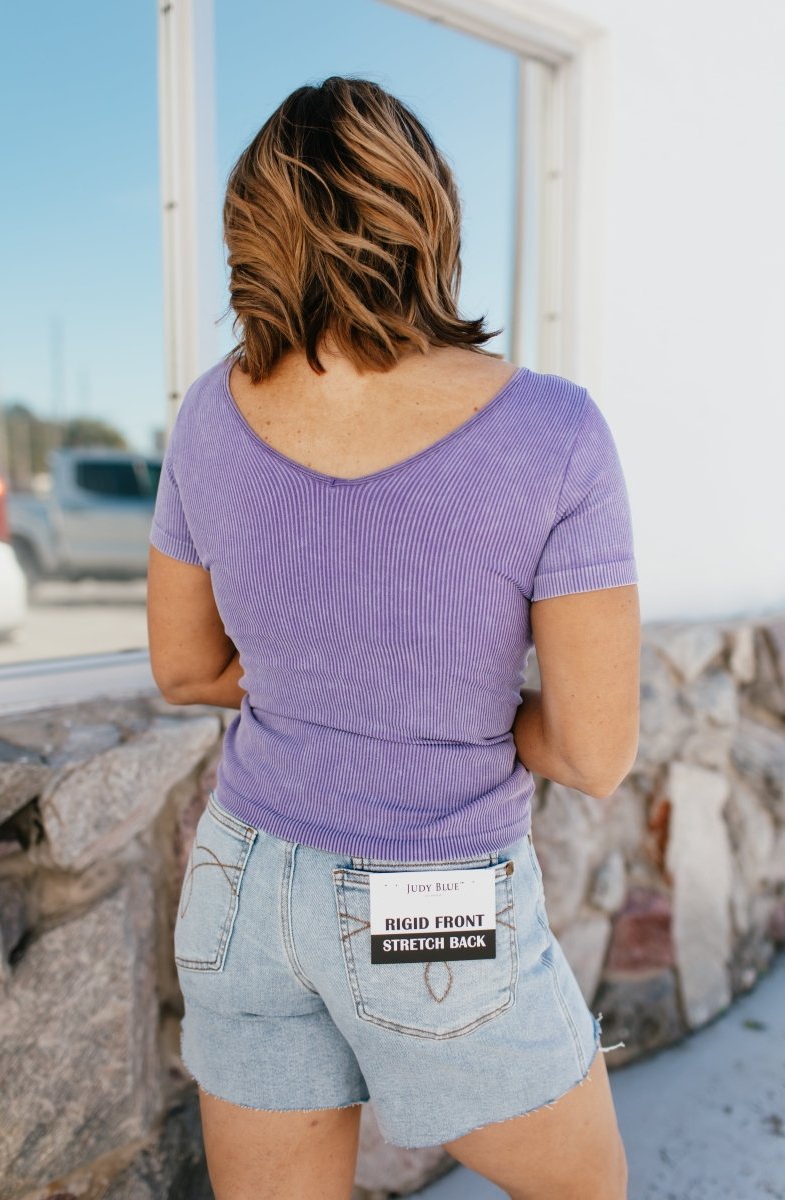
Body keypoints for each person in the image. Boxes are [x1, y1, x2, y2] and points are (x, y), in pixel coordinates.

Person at [146, 75, 640, 1200]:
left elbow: (182, 668)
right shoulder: (552, 432)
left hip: (238, 884)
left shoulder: (205, 415)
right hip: (434, 897)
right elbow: (593, 751)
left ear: (252, 233)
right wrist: (464, 707)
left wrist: (313, 684)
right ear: (426, 214)